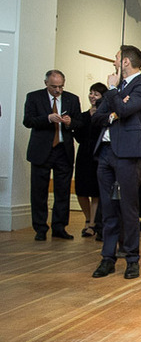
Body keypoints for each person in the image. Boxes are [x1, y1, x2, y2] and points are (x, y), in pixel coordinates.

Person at [91, 45, 141, 279]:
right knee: (108, 208)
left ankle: (132, 260)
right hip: (105, 153)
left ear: (125, 62)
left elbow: (125, 109)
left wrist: (114, 93)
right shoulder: (117, 89)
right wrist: (114, 111)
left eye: (116, 58)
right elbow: (97, 117)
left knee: (129, 209)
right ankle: (107, 258)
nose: (114, 62)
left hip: (128, 155)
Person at [22, 70, 83, 241]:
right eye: (54, 87)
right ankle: (40, 228)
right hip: (42, 150)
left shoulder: (72, 98)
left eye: (61, 87)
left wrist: (71, 123)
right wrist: (47, 118)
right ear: (46, 83)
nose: (58, 90)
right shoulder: (34, 97)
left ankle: (59, 227)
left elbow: (80, 123)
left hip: (63, 150)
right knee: (39, 191)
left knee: (62, 191)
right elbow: (28, 121)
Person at [74, 83, 107, 238]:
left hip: (98, 155)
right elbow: (79, 137)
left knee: (95, 191)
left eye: (97, 94)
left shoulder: (104, 115)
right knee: (81, 190)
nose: (93, 96)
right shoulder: (82, 115)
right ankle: (87, 218)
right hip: (83, 155)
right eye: (91, 93)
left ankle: (92, 223)